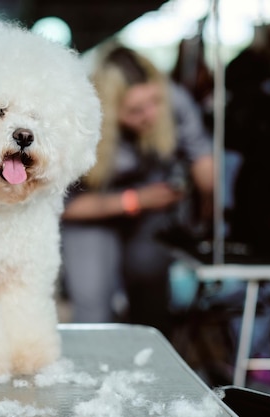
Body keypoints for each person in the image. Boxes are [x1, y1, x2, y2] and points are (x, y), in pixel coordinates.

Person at [60, 45, 214, 337]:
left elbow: (204, 159)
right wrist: (135, 201)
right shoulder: (79, 122)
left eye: (155, 102)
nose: (150, 115)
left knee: (150, 294)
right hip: (91, 217)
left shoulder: (173, 100)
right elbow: (66, 206)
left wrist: (208, 200)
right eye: (135, 110)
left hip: (150, 218)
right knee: (93, 306)